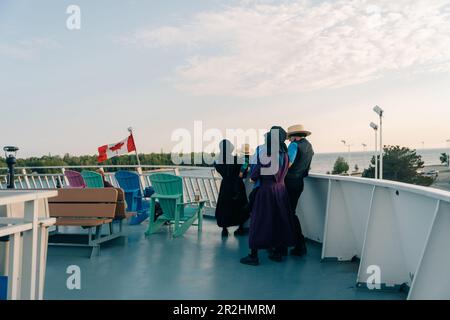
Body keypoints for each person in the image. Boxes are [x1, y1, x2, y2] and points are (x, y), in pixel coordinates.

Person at [240, 127, 296, 266]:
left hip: (266, 191)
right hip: (281, 191)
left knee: (258, 222)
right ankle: (278, 252)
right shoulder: (285, 154)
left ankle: (253, 256)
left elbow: (254, 175)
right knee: (279, 221)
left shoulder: (267, 155)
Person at [285, 124, 314, 257]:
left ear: (294, 136)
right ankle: (297, 244)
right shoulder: (309, 146)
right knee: (291, 213)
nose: (288, 140)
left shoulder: (294, 145)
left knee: (289, 214)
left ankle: (299, 244)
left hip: (290, 182)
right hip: (299, 182)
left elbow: (288, 164)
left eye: (289, 137)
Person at [214, 140, 250, 237]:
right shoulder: (235, 159)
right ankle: (241, 227)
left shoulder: (218, 161)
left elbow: (218, 168)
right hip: (237, 185)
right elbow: (243, 170)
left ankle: (224, 229)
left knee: (225, 206)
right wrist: (247, 156)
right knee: (240, 206)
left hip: (226, 185)